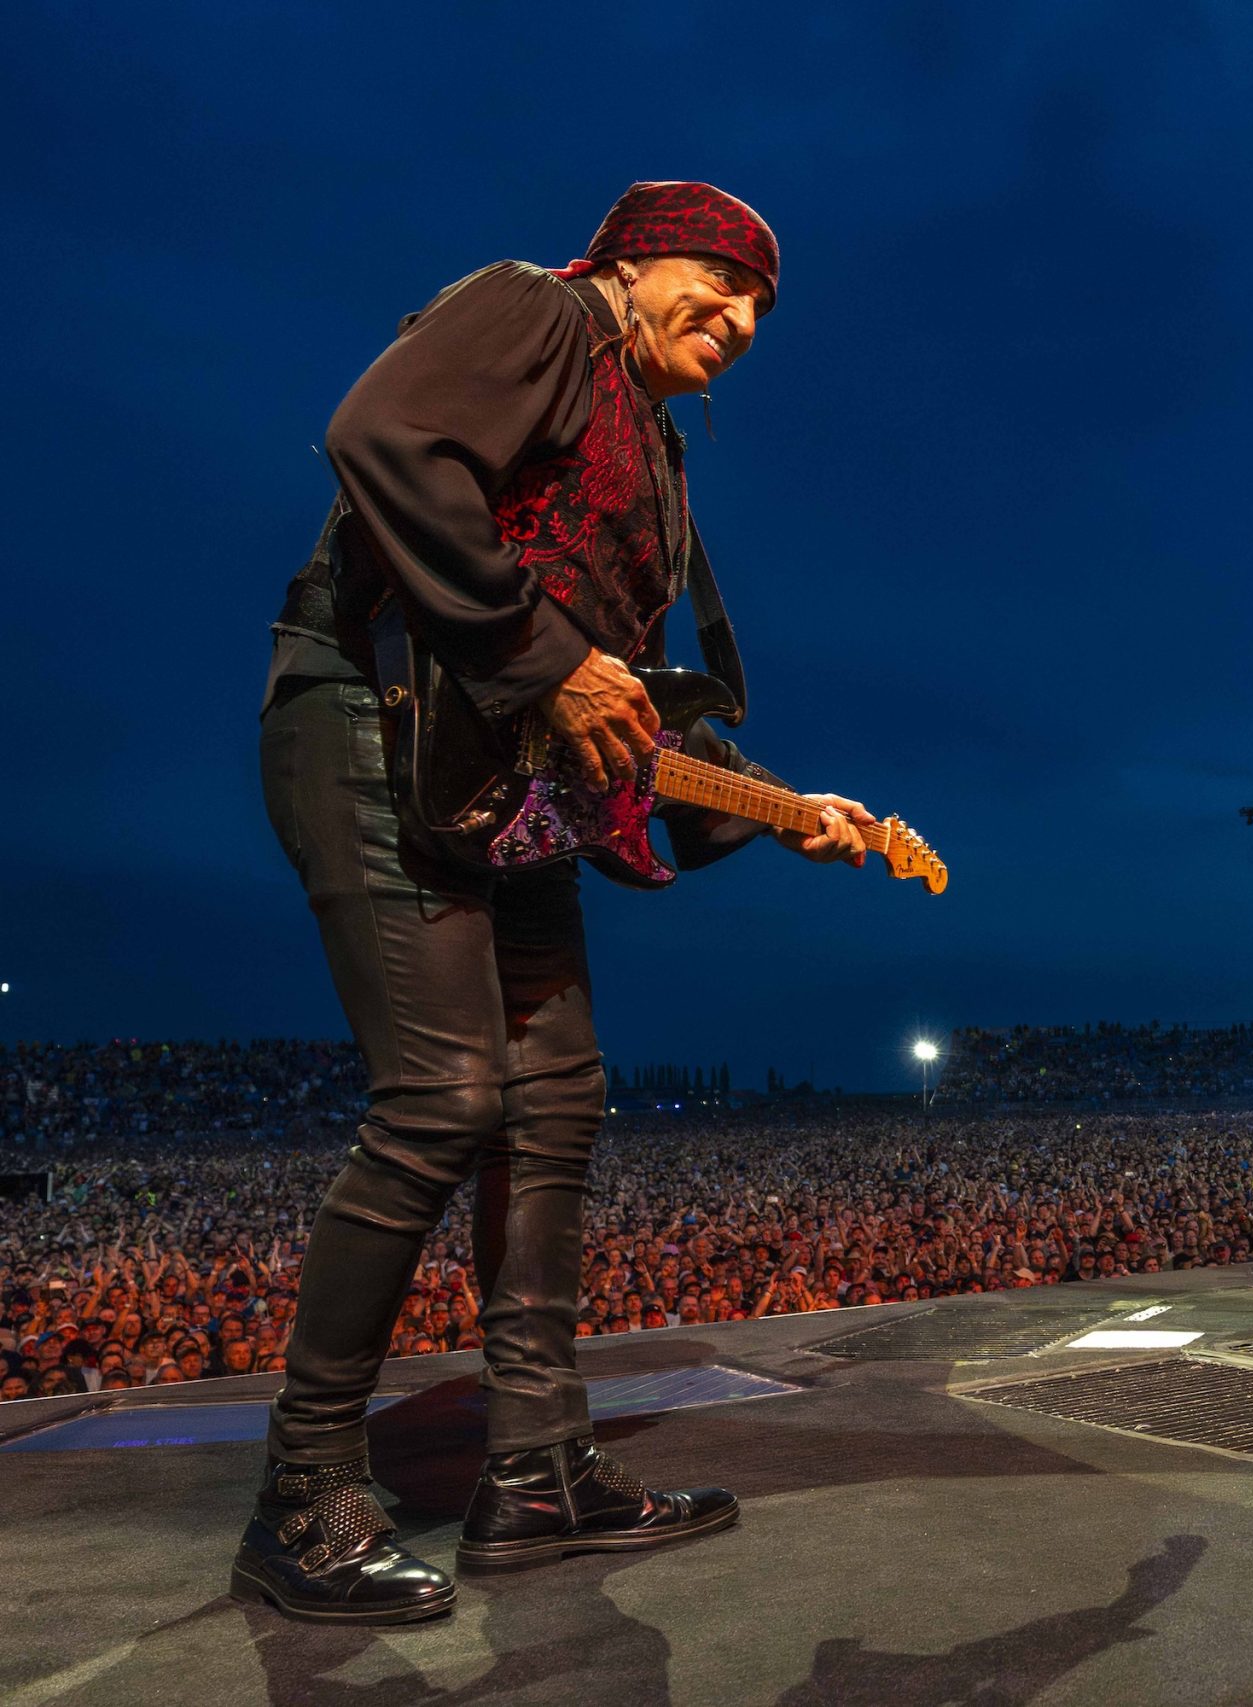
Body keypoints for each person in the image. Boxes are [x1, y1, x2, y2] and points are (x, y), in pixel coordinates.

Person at [240, 182, 876, 1624]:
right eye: (722, 282)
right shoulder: (536, 304)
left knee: (556, 1100)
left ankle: (537, 1467)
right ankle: (301, 1490)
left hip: (494, 778)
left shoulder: (647, 439)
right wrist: (539, 646)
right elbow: (381, 436)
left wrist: (784, 810)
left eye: (763, 307)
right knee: (442, 1096)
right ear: (635, 262)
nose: (744, 318)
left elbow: (620, 712)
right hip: (374, 722)